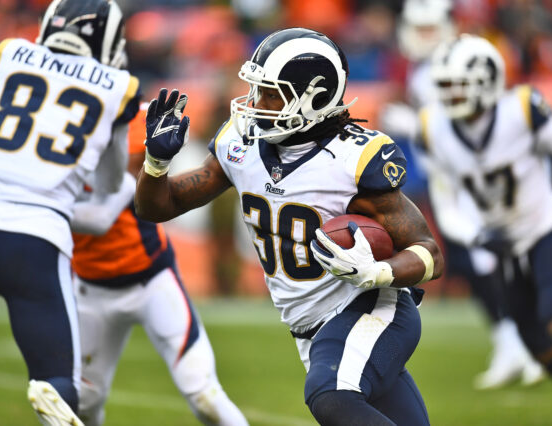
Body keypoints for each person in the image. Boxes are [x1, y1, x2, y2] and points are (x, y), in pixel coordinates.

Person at [134, 28, 444, 426]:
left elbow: (428, 253)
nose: (256, 103)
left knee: (331, 397)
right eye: (256, 90)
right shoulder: (241, 145)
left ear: (314, 97)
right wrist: (156, 164)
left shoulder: (352, 159)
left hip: (367, 309)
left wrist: (375, 272)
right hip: (310, 327)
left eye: (270, 93)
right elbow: (159, 206)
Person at [420, 34, 552, 425]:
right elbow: (445, 206)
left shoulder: (520, 111)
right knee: (537, 345)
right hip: (504, 244)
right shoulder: (435, 129)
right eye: (443, 85)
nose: (447, 95)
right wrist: (477, 236)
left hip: (550, 227)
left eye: (456, 85)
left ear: (485, 81)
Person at [381, 0, 543, 390]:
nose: (423, 37)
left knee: (497, 260)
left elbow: (463, 121)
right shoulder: (424, 68)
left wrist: (410, 123)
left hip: (477, 179)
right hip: (450, 178)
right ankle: (511, 341)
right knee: (476, 264)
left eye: (429, 28)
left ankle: (529, 342)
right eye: (417, 29)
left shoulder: (459, 62)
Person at [0, 0, 139, 425]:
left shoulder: (9, 52)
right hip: (36, 237)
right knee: (57, 379)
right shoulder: (118, 86)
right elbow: (110, 184)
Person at [70, 104, 249, 426]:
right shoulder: (35, 135)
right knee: (83, 404)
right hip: (88, 285)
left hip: (151, 278)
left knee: (204, 395)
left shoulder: (133, 118)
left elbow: (116, 201)